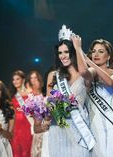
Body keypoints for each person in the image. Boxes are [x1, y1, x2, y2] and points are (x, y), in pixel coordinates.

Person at [41, 25, 95, 157]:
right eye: (60, 53)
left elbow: (83, 71)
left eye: (66, 52)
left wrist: (78, 48)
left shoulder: (87, 73)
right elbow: (49, 104)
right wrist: (46, 118)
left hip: (79, 129)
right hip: (58, 129)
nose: (63, 56)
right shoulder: (54, 75)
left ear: (73, 52)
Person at [72, 35, 113, 157]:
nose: (96, 54)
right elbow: (84, 72)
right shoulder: (91, 72)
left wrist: (89, 61)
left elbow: (110, 82)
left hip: (112, 126)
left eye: (101, 51)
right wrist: (78, 49)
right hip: (94, 127)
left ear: (109, 56)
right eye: (94, 51)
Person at [9, 70, 33, 157]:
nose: (15, 81)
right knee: (16, 152)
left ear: (23, 80)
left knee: (27, 151)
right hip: (15, 127)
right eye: (13, 79)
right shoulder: (11, 95)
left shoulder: (30, 93)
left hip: (28, 126)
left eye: (17, 79)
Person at [26, 70, 44, 157]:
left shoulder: (44, 94)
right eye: (31, 78)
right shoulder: (29, 97)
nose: (33, 80)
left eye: (35, 78)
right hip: (36, 129)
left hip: (46, 128)